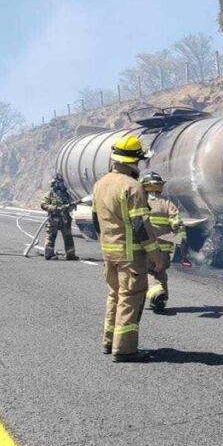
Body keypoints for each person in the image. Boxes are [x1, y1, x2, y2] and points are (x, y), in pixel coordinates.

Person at [92, 135, 164, 363]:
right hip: (130, 255)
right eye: (138, 161)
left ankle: (109, 341)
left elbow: (96, 220)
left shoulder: (100, 184)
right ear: (132, 161)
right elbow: (140, 225)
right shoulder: (133, 187)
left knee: (114, 295)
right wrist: (155, 254)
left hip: (109, 252)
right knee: (130, 298)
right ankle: (124, 349)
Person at [139, 171, 185, 312]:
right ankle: (160, 301)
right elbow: (177, 223)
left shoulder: (140, 202)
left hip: (145, 248)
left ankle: (156, 293)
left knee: (146, 273)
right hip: (164, 249)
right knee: (161, 273)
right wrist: (180, 240)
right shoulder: (167, 203)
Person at [40, 174, 78, 260]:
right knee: (51, 237)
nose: (62, 185)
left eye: (62, 183)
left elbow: (71, 205)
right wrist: (56, 208)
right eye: (60, 183)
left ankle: (71, 254)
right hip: (54, 219)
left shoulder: (67, 195)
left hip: (65, 219)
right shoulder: (50, 194)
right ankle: (49, 254)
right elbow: (43, 205)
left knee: (68, 237)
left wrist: (71, 206)